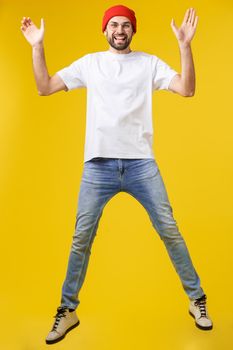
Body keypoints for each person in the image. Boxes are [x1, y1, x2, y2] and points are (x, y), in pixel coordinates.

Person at [21, 4, 213, 345]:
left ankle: (197, 300)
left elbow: (187, 89)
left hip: (141, 163)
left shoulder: (148, 63)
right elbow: (44, 87)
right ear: (105, 30)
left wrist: (185, 45)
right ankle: (68, 310)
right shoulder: (90, 63)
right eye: (114, 25)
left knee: (169, 229)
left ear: (133, 30)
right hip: (98, 165)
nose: (120, 30)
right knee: (81, 238)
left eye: (126, 24)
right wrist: (37, 46)